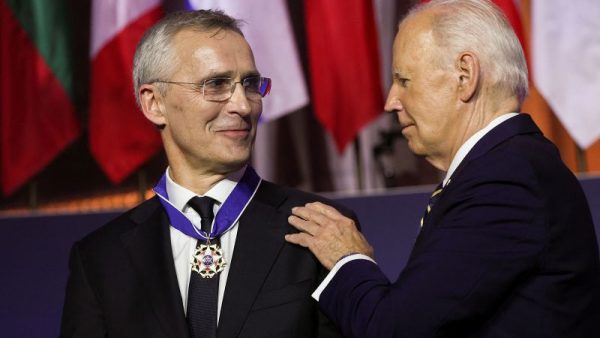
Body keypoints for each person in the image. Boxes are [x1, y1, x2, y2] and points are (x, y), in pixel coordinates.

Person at [285, 0, 600, 337]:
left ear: (465, 75)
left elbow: (393, 330)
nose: (391, 101)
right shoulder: (509, 167)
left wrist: (347, 257)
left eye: (404, 80)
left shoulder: (505, 179)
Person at [60, 10, 348, 338]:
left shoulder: (320, 229)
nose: (243, 105)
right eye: (216, 84)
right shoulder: (100, 259)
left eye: (250, 84)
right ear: (154, 103)